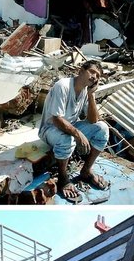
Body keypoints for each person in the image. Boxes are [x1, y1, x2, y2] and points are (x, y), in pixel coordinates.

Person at [38, 60, 110, 202]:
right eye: (92, 72)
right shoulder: (63, 86)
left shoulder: (84, 90)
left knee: (103, 129)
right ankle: (63, 178)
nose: (94, 77)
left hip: (69, 126)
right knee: (67, 139)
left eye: (98, 75)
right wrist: (78, 134)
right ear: (81, 70)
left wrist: (91, 95)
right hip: (49, 129)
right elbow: (56, 119)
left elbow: (93, 120)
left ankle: (86, 170)